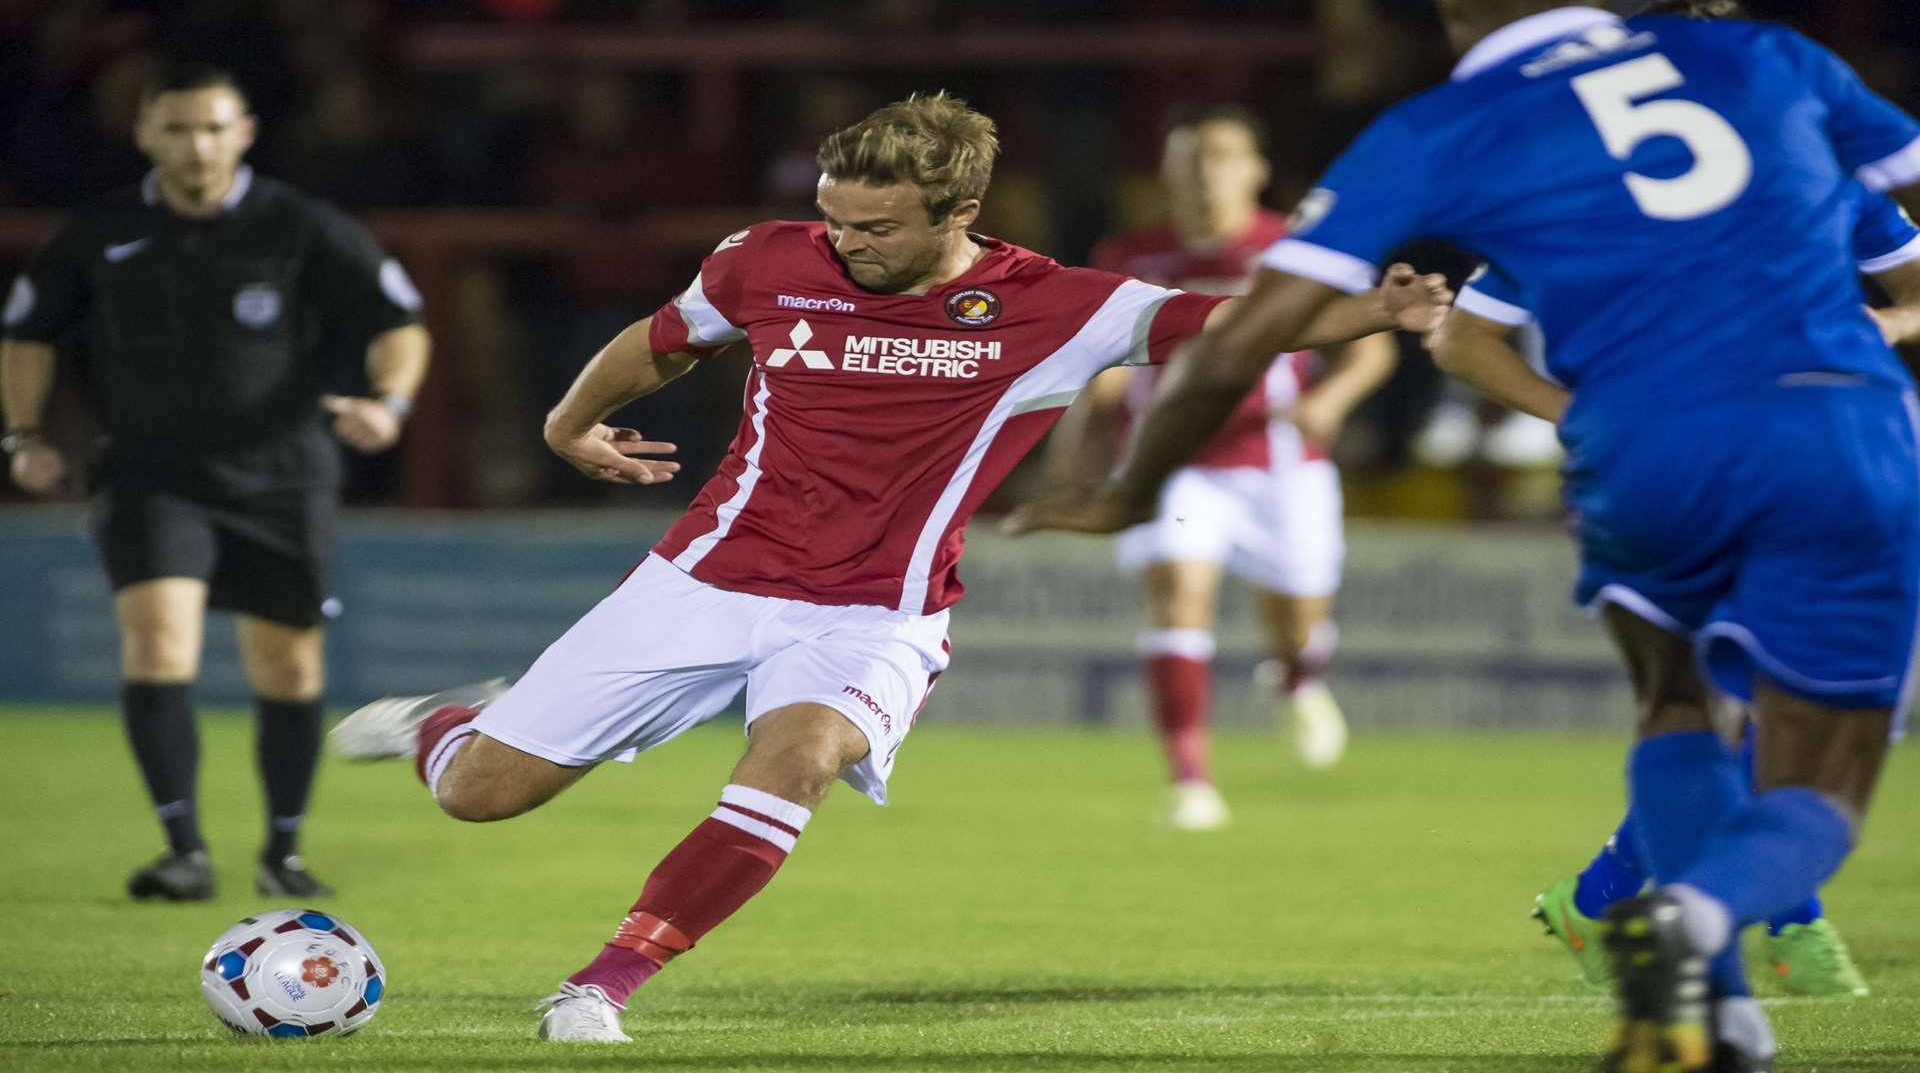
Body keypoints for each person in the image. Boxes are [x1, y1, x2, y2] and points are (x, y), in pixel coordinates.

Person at [326, 92, 1450, 1043]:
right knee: (485, 798)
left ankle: (601, 983)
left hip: (878, 613)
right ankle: (444, 729)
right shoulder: (768, 261)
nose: (845, 243)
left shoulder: (1056, 307)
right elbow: (664, 338)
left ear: (960, 213)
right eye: (834, 219)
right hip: (707, 577)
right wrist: (571, 424)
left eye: (874, 227)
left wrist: (1379, 311)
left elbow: (1238, 323)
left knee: (801, 753)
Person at [1006, 0, 1920, 1070]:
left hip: (1639, 445)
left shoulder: (1449, 125)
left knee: (1673, 700)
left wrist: (1128, 489)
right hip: (1830, 423)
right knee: (1822, 769)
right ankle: (1705, 917)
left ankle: (1708, 1010)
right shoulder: (1762, 56)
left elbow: (1242, 333)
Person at [0, 63, 431, 901]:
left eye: (210, 127)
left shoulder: (300, 225)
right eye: (176, 128)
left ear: (244, 132)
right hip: (152, 472)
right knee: (159, 640)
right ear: (145, 134)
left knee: (287, 666)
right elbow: (28, 333)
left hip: (281, 474)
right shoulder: (100, 231)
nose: (195, 145)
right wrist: (23, 434)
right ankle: (183, 849)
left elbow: (397, 323)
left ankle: (283, 852)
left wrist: (390, 405)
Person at [1502, 181, 1920, 1000]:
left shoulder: (1829, 178)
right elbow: (1465, 337)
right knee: (1725, 702)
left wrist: (1888, 323)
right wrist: (1586, 417)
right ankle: (1776, 925)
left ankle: (1612, 898)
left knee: (1790, 712)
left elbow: (1913, 288)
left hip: (1835, 453)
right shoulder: (1594, 178)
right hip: (1673, 470)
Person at [1047, 105, 1397, 830]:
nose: (1205, 170)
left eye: (1221, 154)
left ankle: (1298, 679)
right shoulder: (1130, 254)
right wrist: (1084, 427)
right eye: (1189, 157)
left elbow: (1372, 348)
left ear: (1256, 169)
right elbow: (1102, 358)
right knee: (1176, 592)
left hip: (1281, 465)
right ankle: (1191, 781)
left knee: (1297, 622)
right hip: (1170, 464)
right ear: (1167, 171)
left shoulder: (1297, 247)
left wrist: (1329, 401)